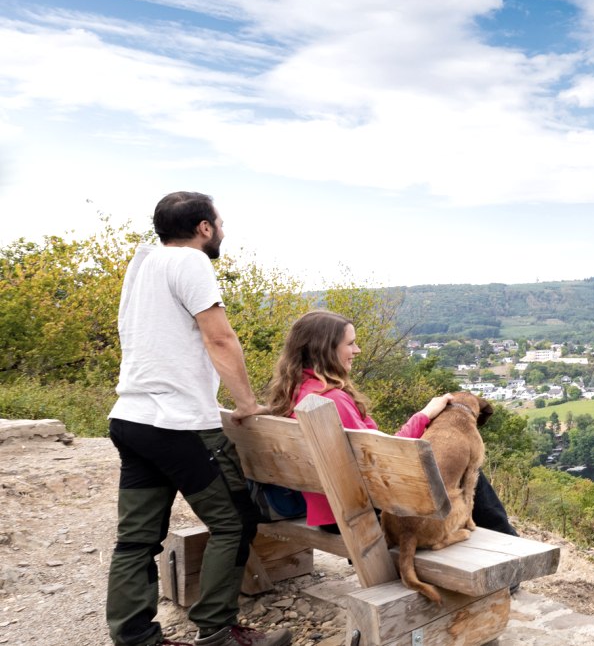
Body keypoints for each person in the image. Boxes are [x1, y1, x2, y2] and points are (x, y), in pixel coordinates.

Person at [106, 192, 290, 646]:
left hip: (130, 418)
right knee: (235, 521)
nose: (223, 230)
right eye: (220, 223)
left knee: (137, 539)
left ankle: (135, 638)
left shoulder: (142, 265)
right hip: (178, 422)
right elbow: (219, 338)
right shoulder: (190, 262)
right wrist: (246, 403)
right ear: (204, 228)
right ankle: (217, 632)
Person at [262, 310, 519, 538]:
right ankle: (511, 545)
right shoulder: (330, 400)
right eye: (350, 344)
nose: (357, 350)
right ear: (325, 349)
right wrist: (425, 415)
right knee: (466, 466)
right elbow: (382, 458)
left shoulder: (294, 391)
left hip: (327, 507)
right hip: (354, 512)